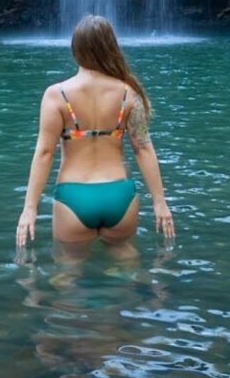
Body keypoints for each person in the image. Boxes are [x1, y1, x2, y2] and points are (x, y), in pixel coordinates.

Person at [15, 15, 174, 250]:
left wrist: (30, 208)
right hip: (119, 195)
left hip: (74, 196)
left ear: (75, 49)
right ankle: (153, 287)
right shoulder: (129, 94)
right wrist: (160, 203)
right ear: (111, 48)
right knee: (125, 262)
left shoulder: (56, 95)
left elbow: (45, 152)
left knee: (67, 273)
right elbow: (143, 147)